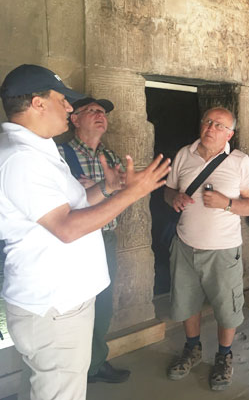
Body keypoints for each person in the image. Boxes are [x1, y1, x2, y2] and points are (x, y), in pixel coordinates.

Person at [0, 64, 170, 400]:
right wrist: (131, 194)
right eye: (62, 100)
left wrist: (107, 189)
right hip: (54, 307)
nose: (68, 107)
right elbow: (65, 228)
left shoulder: (39, 150)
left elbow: (71, 206)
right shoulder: (22, 158)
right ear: (37, 104)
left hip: (61, 301)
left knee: (44, 388)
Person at [164, 107, 249, 391]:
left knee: (227, 309)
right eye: (207, 121)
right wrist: (174, 198)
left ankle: (223, 356)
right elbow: (168, 190)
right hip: (185, 245)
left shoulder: (240, 162)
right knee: (186, 301)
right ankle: (192, 349)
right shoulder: (184, 154)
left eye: (219, 125)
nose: (211, 127)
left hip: (223, 250)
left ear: (229, 134)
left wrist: (227, 203)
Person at [56, 97, 130, 384]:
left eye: (103, 113)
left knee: (103, 304)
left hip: (105, 238)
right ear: (74, 119)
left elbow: (122, 195)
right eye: (92, 111)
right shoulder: (60, 155)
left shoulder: (110, 157)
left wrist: (107, 189)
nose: (101, 116)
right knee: (73, 306)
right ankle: (71, 367)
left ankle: (95, 363)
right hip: (75, 240)